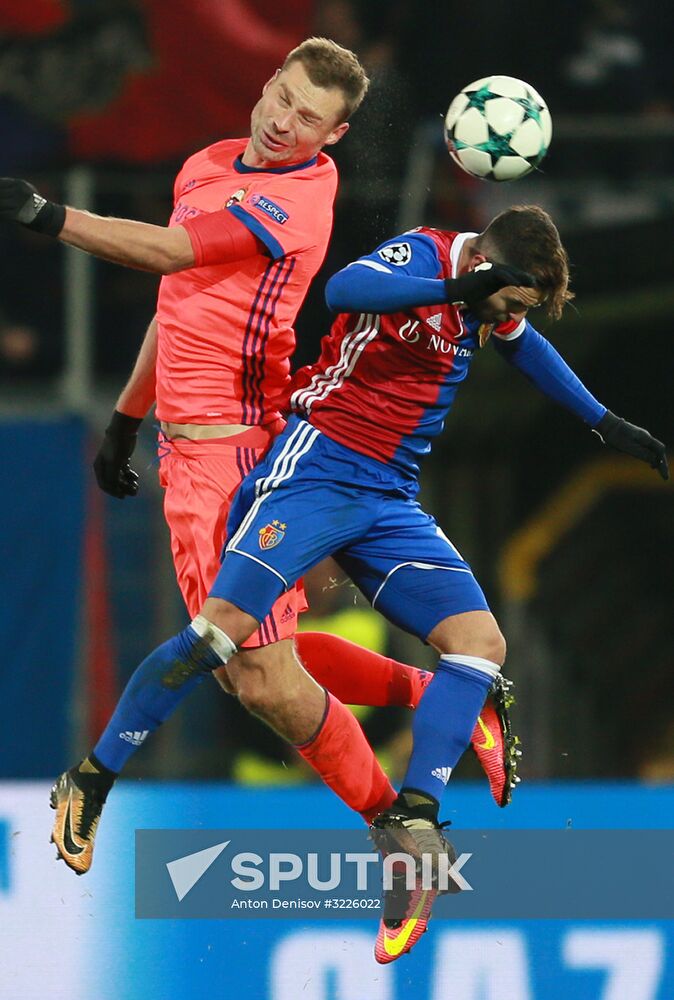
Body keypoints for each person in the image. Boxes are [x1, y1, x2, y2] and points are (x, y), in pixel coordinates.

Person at [52, 203, 666, 961]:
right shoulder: (424, 257)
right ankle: (92, 778)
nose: (506, 317)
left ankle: (414, 824)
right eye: (506, 300)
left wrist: (605, 422)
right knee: (220, 640)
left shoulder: (493, 303)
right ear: (480, 267)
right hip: (312, 473)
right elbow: (343, 290)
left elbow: (525, 346)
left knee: (480, 643)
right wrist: (456, 292)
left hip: (388, 499)